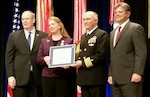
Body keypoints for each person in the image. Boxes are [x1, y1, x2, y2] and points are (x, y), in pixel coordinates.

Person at [107, 2, 147, 97]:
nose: (117, 14)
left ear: (128, 14)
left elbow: (141, 53)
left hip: (130, 78)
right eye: (115, 12)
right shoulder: (113, 33)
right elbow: (113, 55)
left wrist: (138, 72)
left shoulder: (135, 28)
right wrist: (110, 74)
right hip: (115, 79)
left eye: (120, 12)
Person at [5, 10, 47, 97]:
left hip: (37, 78)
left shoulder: (43, 36)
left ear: (33, 20)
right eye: (23, 19)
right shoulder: (14, 36)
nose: (24, 21)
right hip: (20, 79)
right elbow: (9, 58)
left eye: (27, 19)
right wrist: (10, 76)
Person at [36, 16, 76, 97]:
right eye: (49, 25)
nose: (51, 26)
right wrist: (44, 59)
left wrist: (69, 64)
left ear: (59, 25)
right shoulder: (44, 41)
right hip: (47, 77)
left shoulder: (69, 41)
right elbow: (38, 59)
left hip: (63, 77)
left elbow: (72, 59)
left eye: (53, 24)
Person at [72, 11, 109, 97]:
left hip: (95, 78)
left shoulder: (101, 34)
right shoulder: (83, 36)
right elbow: (80, 54)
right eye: (84, 19)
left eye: (88, 19)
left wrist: (83, 63)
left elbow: (101, 55)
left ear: (96, 20)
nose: (85, 21)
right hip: (84, 79)